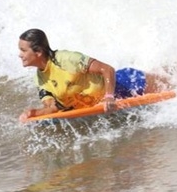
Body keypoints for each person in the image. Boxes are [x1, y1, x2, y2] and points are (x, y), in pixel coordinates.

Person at [18, 28, 168, 122]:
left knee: (173, 84)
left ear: (38, 52)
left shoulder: (66, 59)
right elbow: (53, 108)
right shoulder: (40, 79)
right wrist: (33, 113)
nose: (20, 55)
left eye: (23, 50)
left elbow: (107, 69)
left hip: (125, 82)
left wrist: (109, 96)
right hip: (101, 101)